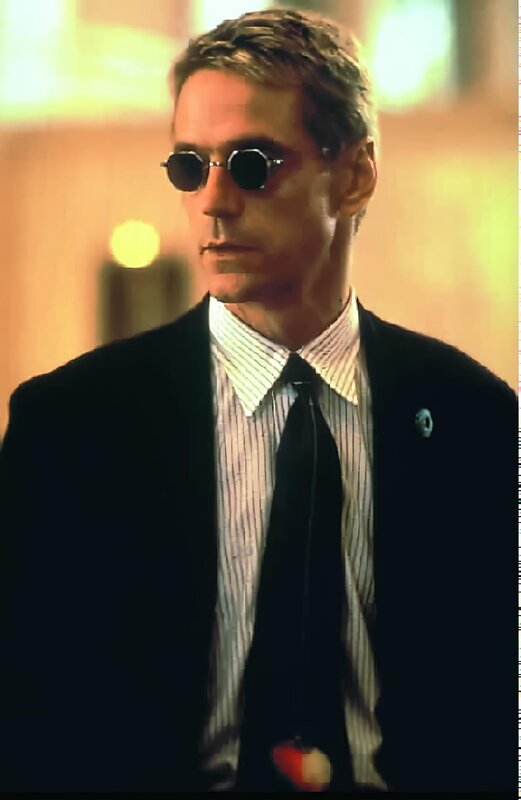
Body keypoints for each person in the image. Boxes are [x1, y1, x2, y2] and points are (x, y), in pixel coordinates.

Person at [0, 7, 516, 794]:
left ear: (354, 175)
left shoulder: (473, 419)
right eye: (187, 166)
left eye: (251, 163)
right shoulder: (71, 426)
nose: (212, 200)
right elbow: (30, 715)